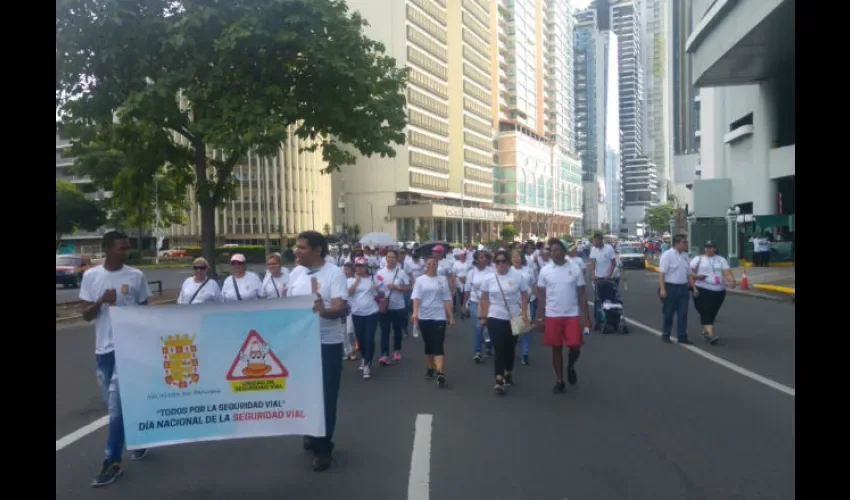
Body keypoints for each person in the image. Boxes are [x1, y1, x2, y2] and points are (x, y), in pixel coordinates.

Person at [79, 231, 152, 487]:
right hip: (104, 350)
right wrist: (101, 300)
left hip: (129, 348)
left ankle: (112, 461)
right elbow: (86, 315)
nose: (126, 252)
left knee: (116, 408)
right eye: (122, 248)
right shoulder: (91, 276)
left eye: (127, 248)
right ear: (108, 249)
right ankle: (139, 435)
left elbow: (145, 313)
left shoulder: (136, 276)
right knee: (114, 403)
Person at [286, 231, 348, 471]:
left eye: (301, 247)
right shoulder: (296, 274)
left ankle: (324, 448)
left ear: (317, 250)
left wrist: (324, 310)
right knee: (305, 393)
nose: (296, 251)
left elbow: (341, 309)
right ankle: (312, 431)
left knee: (325, 396)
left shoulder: (334, 273)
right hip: (301, 343)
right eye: (296, 247)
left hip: (326, 343)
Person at [535, 238, 592, 393]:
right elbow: (541, 296)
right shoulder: (545, 270)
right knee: (556, 348)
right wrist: (540, 317)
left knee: (575, 346)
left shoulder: (574, 268)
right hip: (553, 315)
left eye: (557, 250)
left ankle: (570, 365)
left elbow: (581, 294)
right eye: (551, 250)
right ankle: (559, 380)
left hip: (571, 314)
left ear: (564, 252)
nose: (553, 253)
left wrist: (586, 318)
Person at [478, 249, 530, 395]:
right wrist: (483, 316)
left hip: (513, 316)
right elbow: (484, 297)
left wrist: (524, 314)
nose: (500, 264)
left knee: (510, 347)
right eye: (497, 261)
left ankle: (508, 371)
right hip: (495, 316)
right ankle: (499, 379)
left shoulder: (518, 276)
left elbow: (525, 295)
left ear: (508, 262)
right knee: (499, 347)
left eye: (503, 261)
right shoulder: (489, 278)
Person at [411, 255, 454, 387]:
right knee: (429, 344)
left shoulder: (442, 280)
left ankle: (440, 372)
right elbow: (416, 298)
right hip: (424, 316)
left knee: (438, 343)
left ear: (437, 265)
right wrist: (415, 312)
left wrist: (450, 316)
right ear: (426, 265)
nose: (432, 265)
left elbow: (447, 298)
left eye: (434, 263)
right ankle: (430, 367)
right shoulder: (420, 280)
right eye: (429, 264)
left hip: (439, 316)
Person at [690, 241, 736, 344]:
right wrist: (697, 277)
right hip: (702, 289)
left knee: (712, 312)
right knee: (705, 310)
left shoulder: (721, 260)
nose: (708, 249)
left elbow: (726, 272)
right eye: (706, 247)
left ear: (715, 249)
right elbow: (689, 272)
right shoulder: (698, 259)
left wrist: (731, 280)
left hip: (718, 291)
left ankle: (705, 332)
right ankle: (710, 335)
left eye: (711, 247)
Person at [658, 234, 698, 345]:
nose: (686, 244)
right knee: (668, 313)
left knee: (683, 314)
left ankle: (682, 336)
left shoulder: (685, 256)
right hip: (670, 287)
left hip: (683, 288)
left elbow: (689, 274)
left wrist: (694, 288)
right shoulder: (667, 255)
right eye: (684, 242)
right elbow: (662, 273)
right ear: (677, 243)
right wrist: (662, 289)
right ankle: (666, 334)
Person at [376, 249, 412, 363]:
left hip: (398, 306)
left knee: (397, 330)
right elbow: (377, 288)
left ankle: (397, 350)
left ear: (397, 259)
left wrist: (397, 288)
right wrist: (379, 292)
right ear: (385, 259)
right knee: (384, 331)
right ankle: (384, 354)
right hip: (385, 306)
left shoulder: (401, 272)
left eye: (392, 257)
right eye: (388, 257)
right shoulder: (380, 273)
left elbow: (408, 288)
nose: (390, 259)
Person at [347, 258, 380, 378]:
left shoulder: (373, 278)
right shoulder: (350, 280)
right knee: (360, 339)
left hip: (371, 312)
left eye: (362, 265)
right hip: (357, 313)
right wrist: (356, 281)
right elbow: (348, 293)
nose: (359, 267)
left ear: (366, 266)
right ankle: (365, 357)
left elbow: (380, 294)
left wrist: (377, 289)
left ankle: (367, 364)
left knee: (369, 338)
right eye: (357, 265)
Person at [462, 249, 494, 362]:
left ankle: (489, 346)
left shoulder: (492, 271)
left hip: (490, 303)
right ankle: (477, 351)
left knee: (489, 327)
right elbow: (467, 289)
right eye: (481, 257)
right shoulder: (472, 272)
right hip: (475, 302)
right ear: (476, 260)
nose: (484, 259)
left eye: (485, 257)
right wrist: (464, 304)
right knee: (478, 327)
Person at [588, 233, 617, 330]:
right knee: (598, 299)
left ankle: (612, 320)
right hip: (598, 278)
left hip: (608, 277)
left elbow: (613, 263)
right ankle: (598, 321)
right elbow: (592, 262)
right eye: (593, 241)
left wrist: (609, 275)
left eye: (596, 241)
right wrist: (593, 274)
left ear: (601, 240)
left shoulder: (609, 249)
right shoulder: (593, 249)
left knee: (610, 298)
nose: (594, 243)